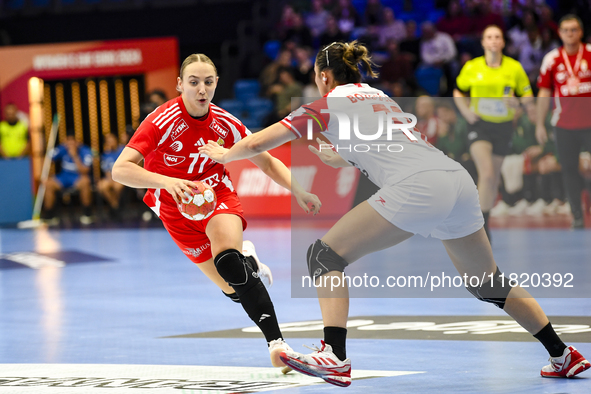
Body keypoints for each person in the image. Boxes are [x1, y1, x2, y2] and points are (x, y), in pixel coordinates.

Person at [198, 40, 589, 387]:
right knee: (489, 283)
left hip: (418, 187)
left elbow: (264, 140)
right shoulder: (378, 97)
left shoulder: (327, 103)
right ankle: (562, 355)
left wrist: (225, 154)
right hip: (455, 181)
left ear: (322, 77)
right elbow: (365, 152)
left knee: (323, 255)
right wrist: (333, 156)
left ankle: (334, 355)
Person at [111, 53, 320, 368]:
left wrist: (299, 190)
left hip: (216, 196)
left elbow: (266, 160)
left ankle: (277, 345)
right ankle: (248, 261)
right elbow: (120, 170)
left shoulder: (226, 123)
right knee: (233, 289)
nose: (201, 89)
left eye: (208, 82)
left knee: (229, 262)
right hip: (173, 208)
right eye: (193, 82)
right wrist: (167, 183)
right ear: (180, 84)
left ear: (216, 84)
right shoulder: (160, 121)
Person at [453, 25, 533, 241]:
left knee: (493, 178)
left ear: (503, 42)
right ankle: (479, 227)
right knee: (486, 173)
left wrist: (517, 103)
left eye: (497, 37)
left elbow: (528, 97)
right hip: (479, 125)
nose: (493, 40)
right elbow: (458, 91)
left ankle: (484, 220)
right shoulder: (472, 66)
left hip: (503, 126)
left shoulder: (514, 68)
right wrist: (466, 113)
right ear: (483, 42)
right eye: (489, 37)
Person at [536, 14, 591, 229]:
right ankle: (577, 215)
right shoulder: (552, 59)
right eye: (566, 30)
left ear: (581, 32)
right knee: (568, 169)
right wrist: (540, 123)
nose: (570, 33)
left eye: (574, 29)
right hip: (564, 124)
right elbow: (544, 92)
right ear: (560, 33)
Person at [43, 131, 94, 224]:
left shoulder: (85, 151)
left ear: (77, 142)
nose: (70, 145)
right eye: (68, 142)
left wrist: (74, 156)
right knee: (49, 183)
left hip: (77, 178)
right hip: (63, 177)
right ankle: (49, 216)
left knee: (86, 181)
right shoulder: (63, 148)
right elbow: (49, 157)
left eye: (72, 142)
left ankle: (87, 214)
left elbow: (85, 171)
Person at [97, 133, 126, 219]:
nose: (110, 142)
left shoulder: (123, 150)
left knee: (117, 186)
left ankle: (114, 209)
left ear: (116, 140)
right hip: (111, 177)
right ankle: (115, 206)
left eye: (111, 140)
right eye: (108, 141)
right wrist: (111, 179)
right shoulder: (105, 155)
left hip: (123, 177)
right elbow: (107, 171)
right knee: (102, 186)